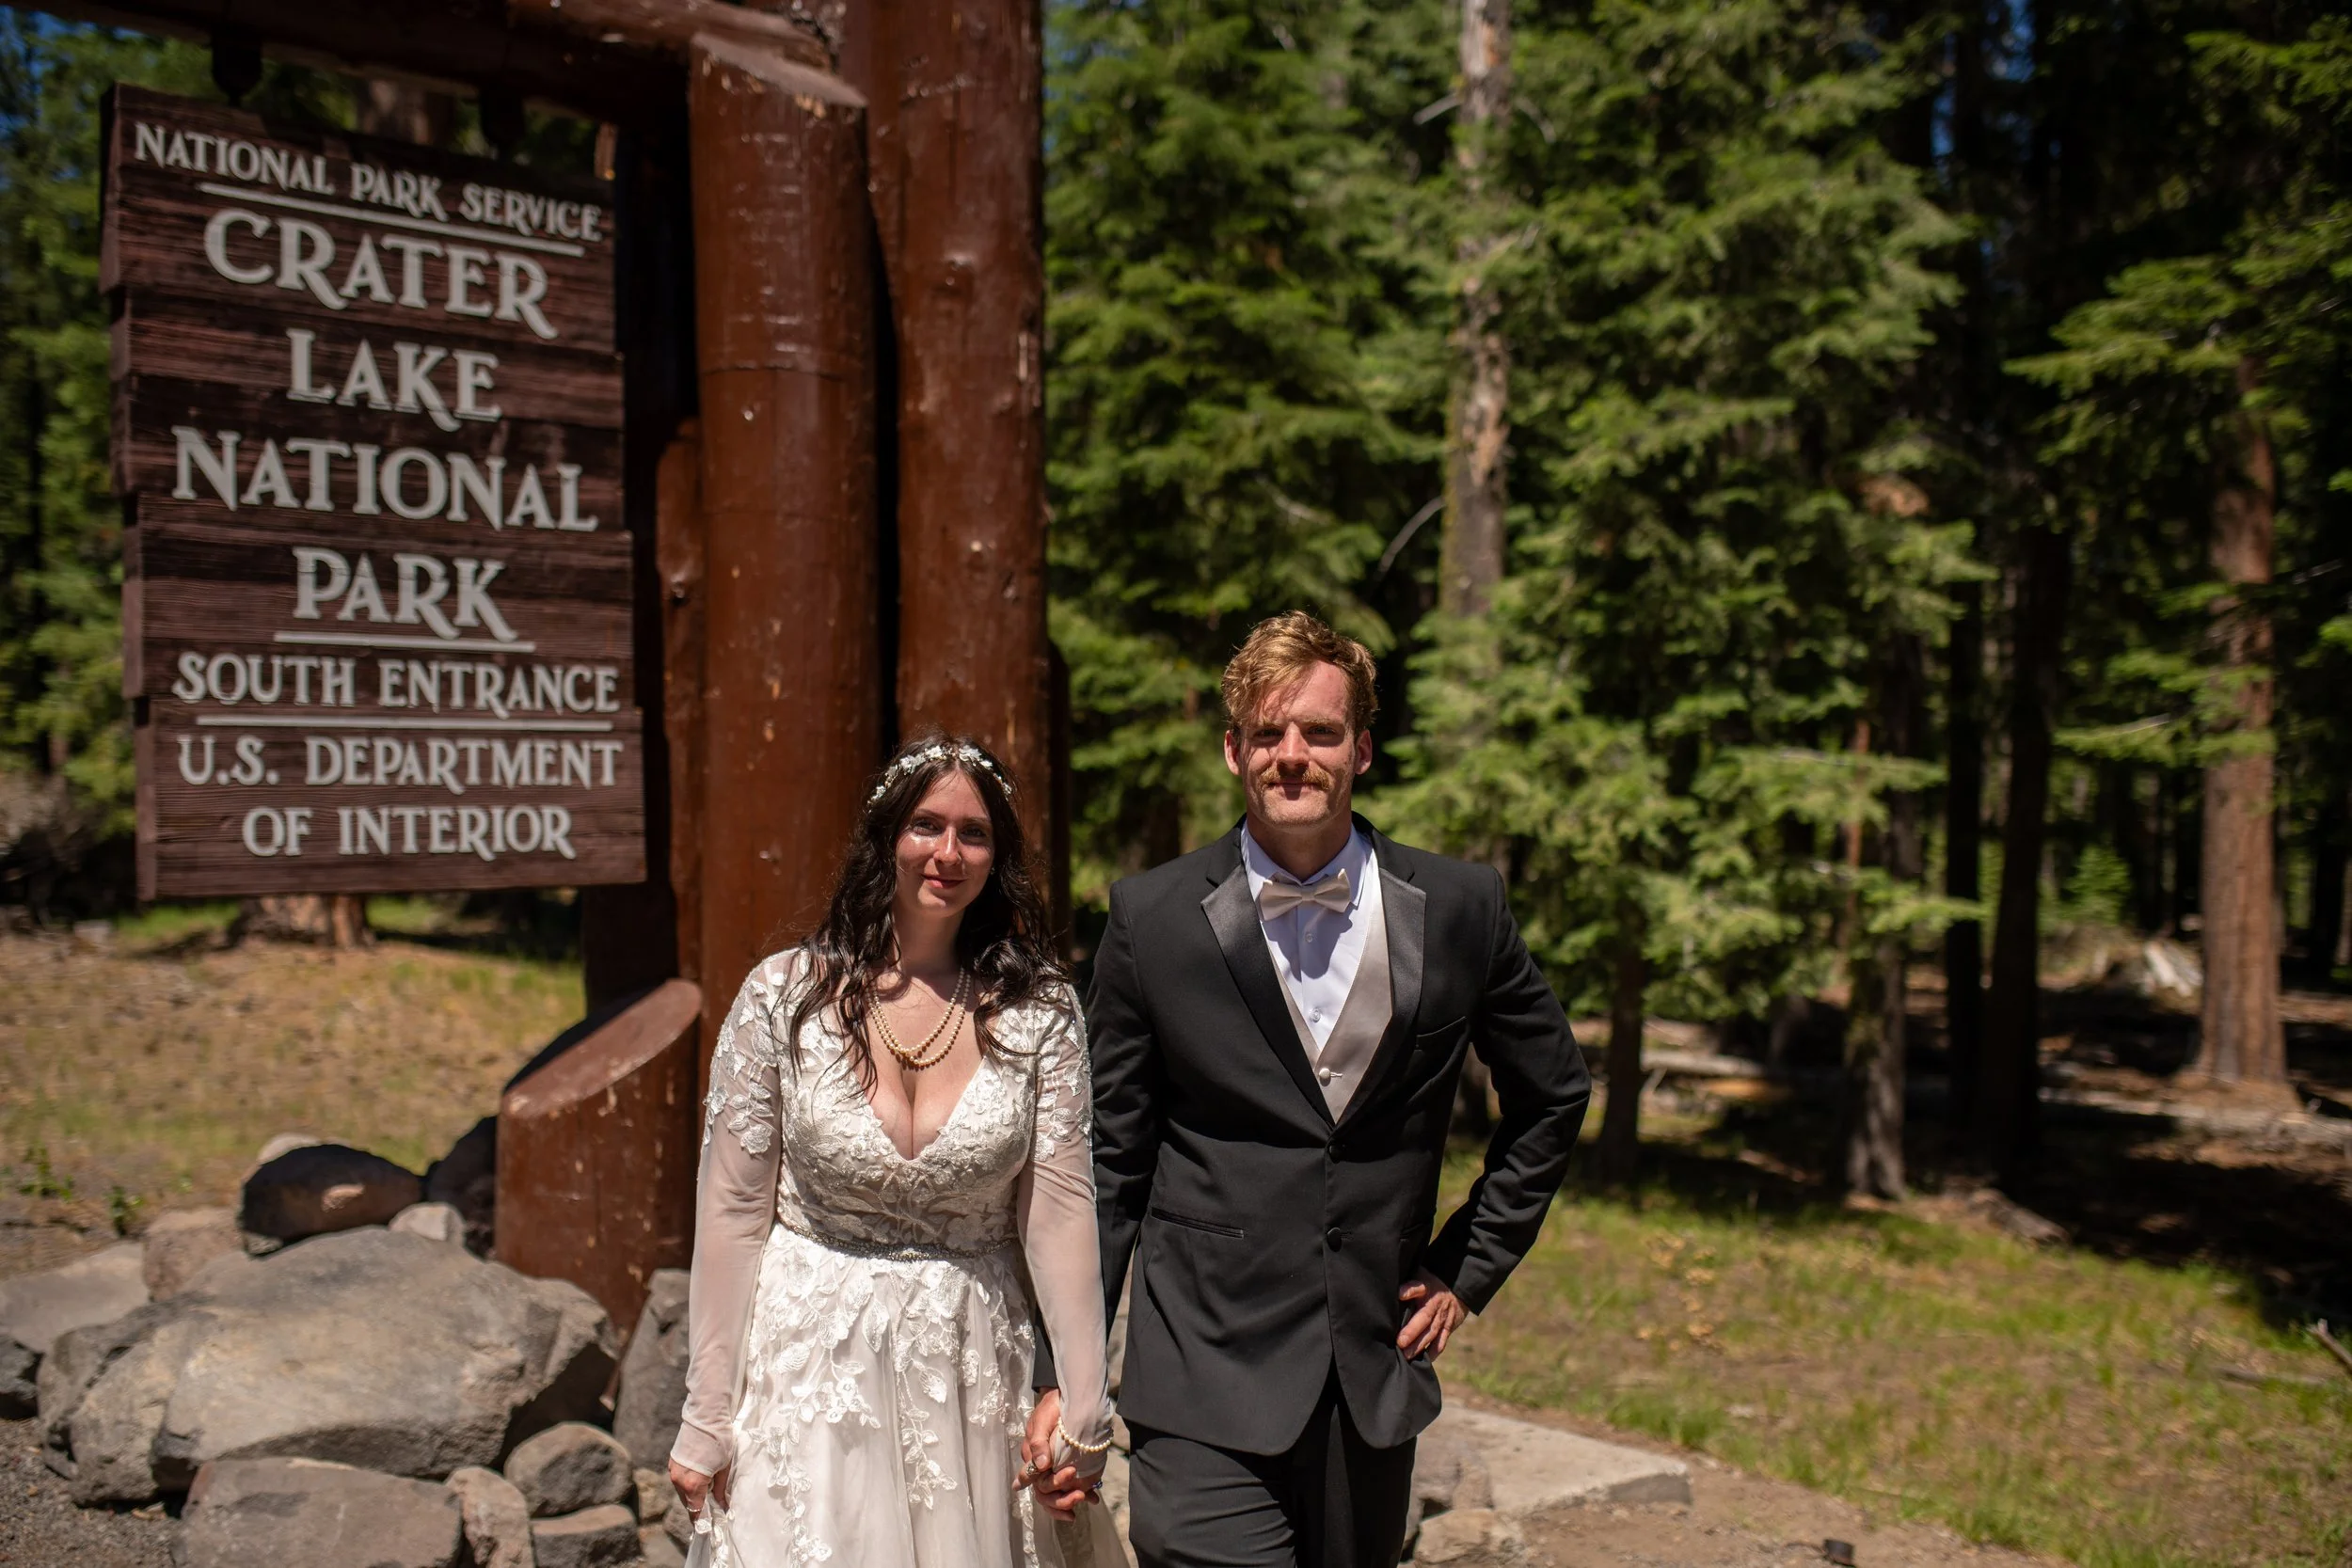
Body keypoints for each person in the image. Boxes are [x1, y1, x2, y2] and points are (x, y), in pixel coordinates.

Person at [1030, 611, 1590, 1568]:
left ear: (1361, 748)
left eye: (1320, 732)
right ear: (1232, 749)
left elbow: (1553, 1094)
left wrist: (1467, 1262)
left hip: (1368, 1366)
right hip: (1198, 1363)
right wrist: (1063, 1371)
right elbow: (1107, 1162)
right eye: (1268, 733)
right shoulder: (1151, 918)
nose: (1293, 755)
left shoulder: (1460, 907)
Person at [669, 735, 1113, 1568]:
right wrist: (706, 1413)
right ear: (886, 837)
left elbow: (1060, 1212)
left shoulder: (1041, 1012)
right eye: (925, 825)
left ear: (997, 856)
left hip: (970, 1371)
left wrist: (1086, 1404)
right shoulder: (781, 996)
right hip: (805, 1377)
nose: (948, 851)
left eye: (974, 833)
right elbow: (730, 1214)